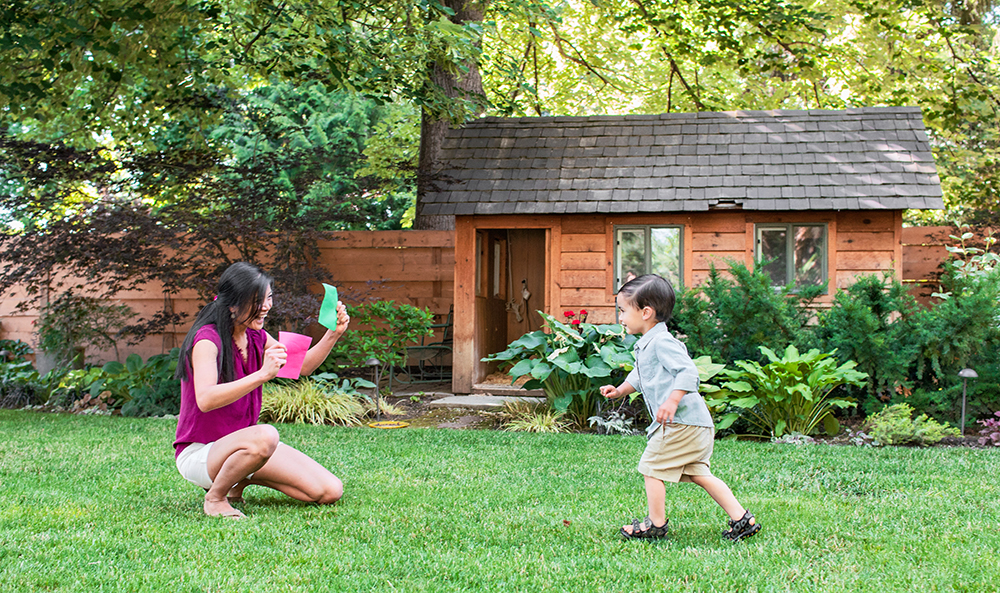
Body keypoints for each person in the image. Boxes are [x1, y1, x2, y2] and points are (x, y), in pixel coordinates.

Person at [173, 262, 350, 519]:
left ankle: (239, 479)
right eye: (257, 300)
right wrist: (262, 375)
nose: (266, 306)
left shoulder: (258, 336)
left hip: (243, 447)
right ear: (233, 305)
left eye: (268, 297)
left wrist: (333, 333)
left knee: (329, 491)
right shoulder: (207, 340)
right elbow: (206, 399)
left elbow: (302, 367)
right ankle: (215, 497)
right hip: (201, 453)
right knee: (266, 435)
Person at [600, 274, 761, 541]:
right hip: (696, 425)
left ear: (646, 312)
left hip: (681, 423)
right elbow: (641, 376)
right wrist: (619, 391)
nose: (620, 317)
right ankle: (742, 519)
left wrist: (672, 401)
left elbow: (688, 372)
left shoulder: (662, 342)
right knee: (698, 473)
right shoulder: (649, 343)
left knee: (651, 467)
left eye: (623, 311)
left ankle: (655, 524)